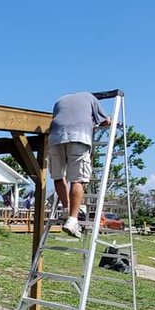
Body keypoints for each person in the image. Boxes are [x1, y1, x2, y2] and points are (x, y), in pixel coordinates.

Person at [47, 91, 111, 239]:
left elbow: (56, 119)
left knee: (58, 176)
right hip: (78, 137)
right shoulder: (90, 98)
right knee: (77, 179)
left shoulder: (59, 99)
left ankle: (66, 209)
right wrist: (111, 122)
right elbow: (104, 121)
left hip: (56, 137)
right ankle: (73, 219)